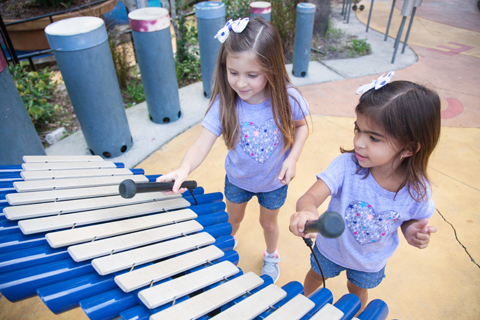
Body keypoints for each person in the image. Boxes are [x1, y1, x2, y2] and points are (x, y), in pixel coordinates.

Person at [157, 17, 309, 283]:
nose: (240, 84)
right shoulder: (225, 102)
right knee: (232, 220)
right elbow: (201, 143)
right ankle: (228, 243)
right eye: (233, 72)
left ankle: (272, 255)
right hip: (238, 180)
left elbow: (302, 127)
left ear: (271, 69)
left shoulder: (288, 97)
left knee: (269, 224)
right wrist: (183, 168)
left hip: (274, 182)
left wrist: (293, 158)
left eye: (252, 75)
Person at [289, 74, 441, 310]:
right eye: (358, 129)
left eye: (373, 138)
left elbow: (412, 218)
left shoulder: (417, 191)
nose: (359, 142)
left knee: (357, 291)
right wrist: (306, 212)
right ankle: (299, 306)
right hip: (330, 249)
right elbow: (309, 197)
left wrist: (412, 231)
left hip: (369, 261)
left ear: (409, 148)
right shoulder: (346, 166)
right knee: (315, 276)